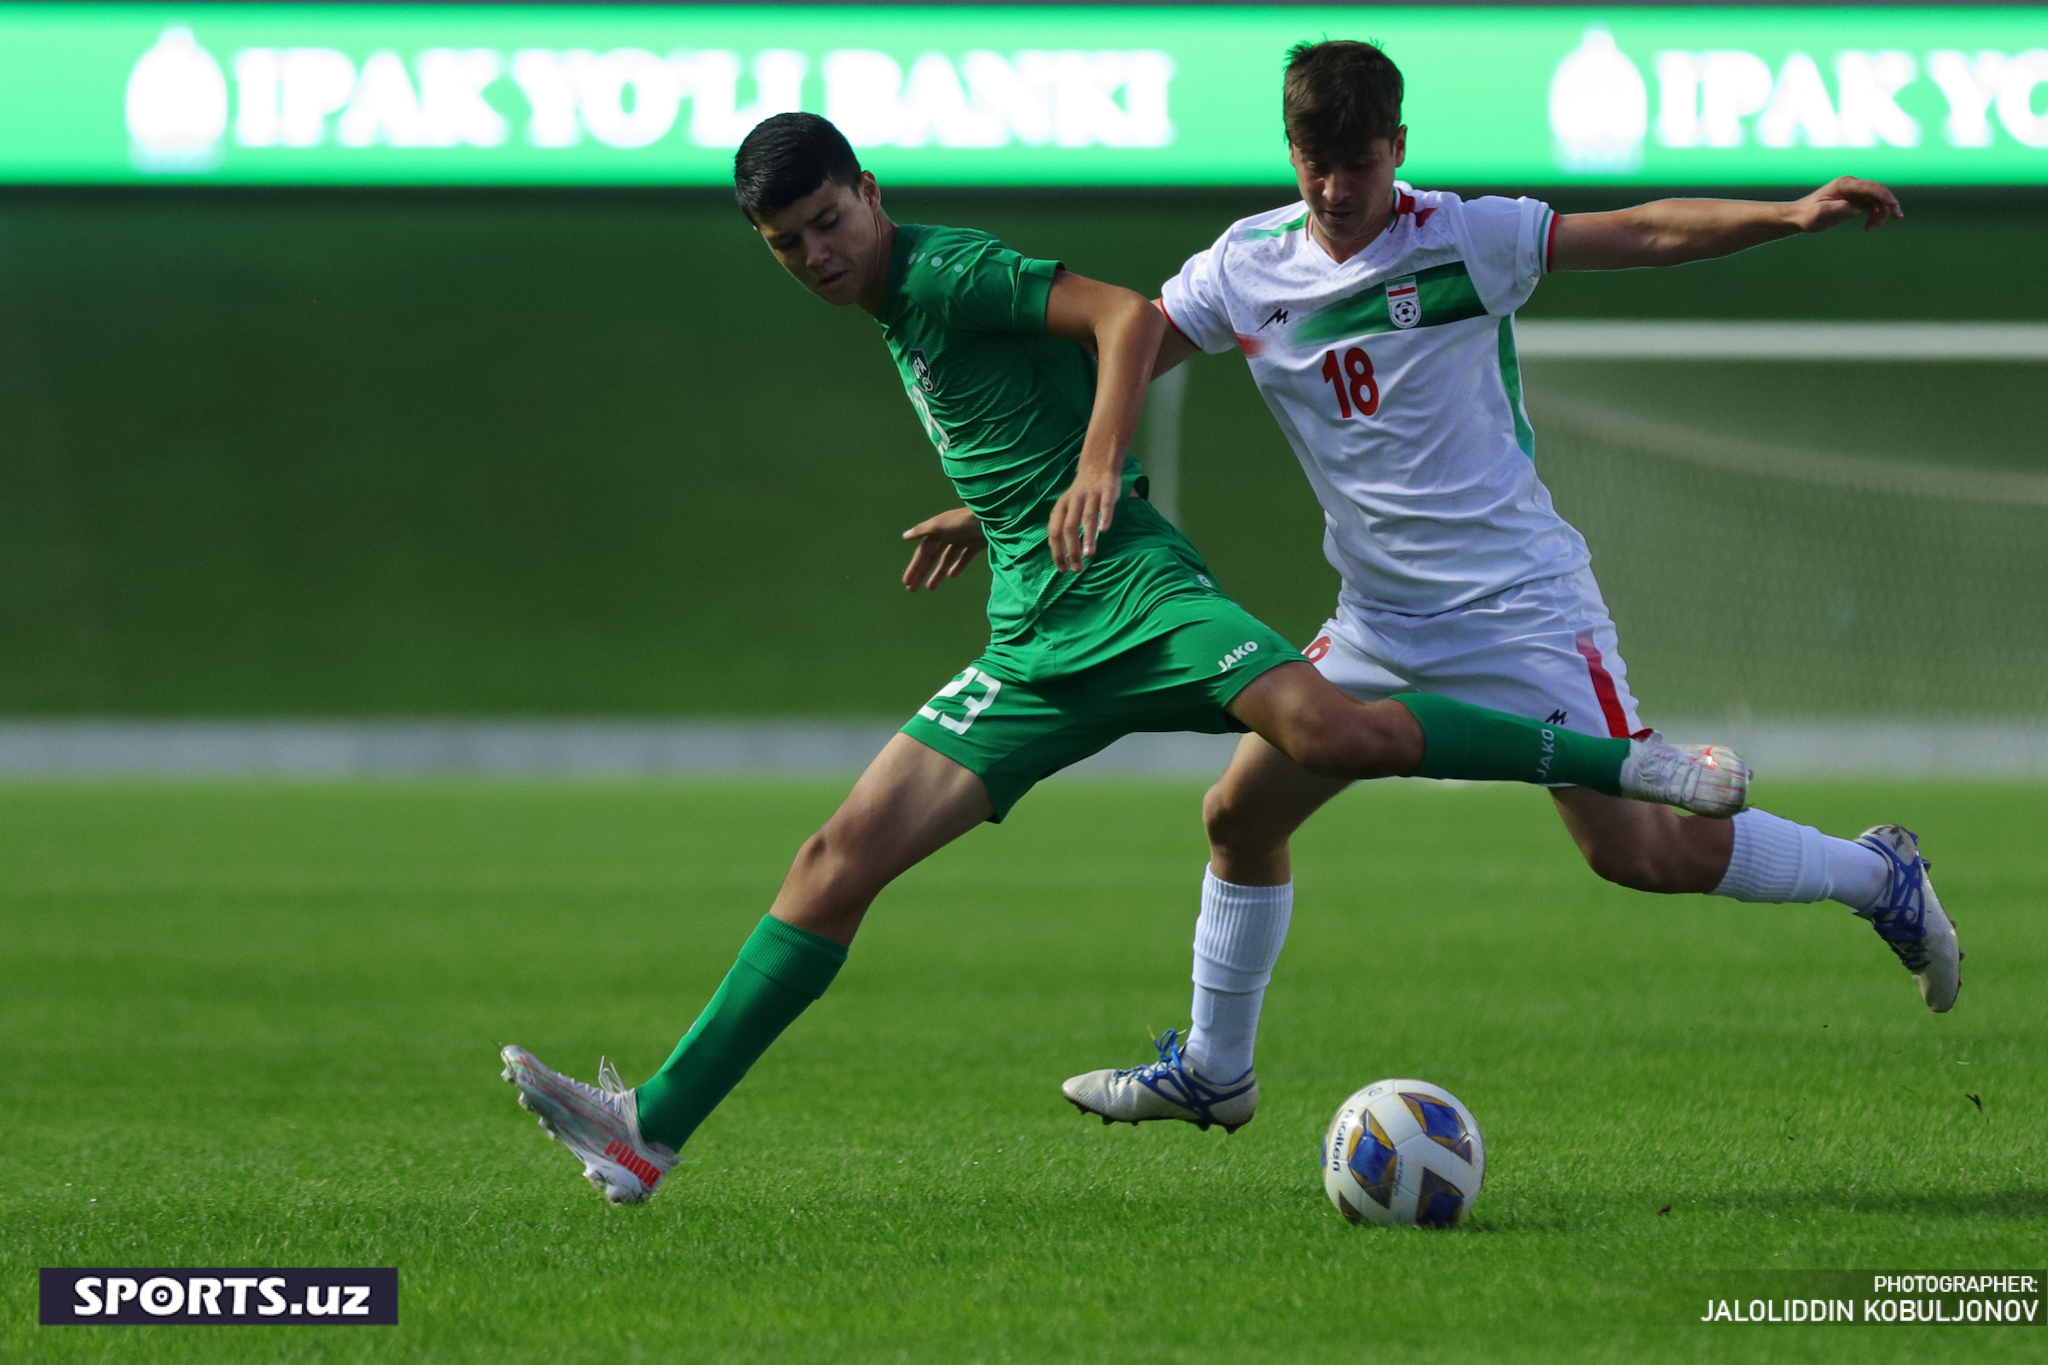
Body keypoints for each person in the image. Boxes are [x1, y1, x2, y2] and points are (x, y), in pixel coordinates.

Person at [500, 111, 1752, 1204]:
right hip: (1035, 634)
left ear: (869, 195)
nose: (818, 255)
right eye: (789, 245)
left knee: (1335, 734)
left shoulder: (941, 273)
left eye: (829, 221)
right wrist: (988, 513)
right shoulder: (895, 309)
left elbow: (1119, 316)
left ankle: (1631, 770)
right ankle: (646, 1134)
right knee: (835, 859)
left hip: (1133, 595)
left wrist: (1101, 466)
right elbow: (1018, 425)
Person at [1059, 40, 1961, 1137]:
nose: (1334, 189)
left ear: (1397, 147)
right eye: (1312, 161)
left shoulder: (1461, 237)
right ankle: (1214, 1069)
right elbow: (1137, 338)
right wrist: (1073, 467)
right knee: (1238, 814)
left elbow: (1636, 232)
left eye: (1356, 162)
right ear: (1289, 151)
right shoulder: (1246, 263)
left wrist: (1785, 214)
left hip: (1522, 611)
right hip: (1376, 624)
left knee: (1636, 854)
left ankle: (1875, 876)